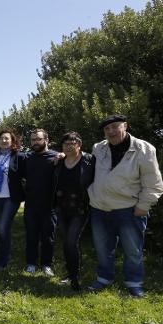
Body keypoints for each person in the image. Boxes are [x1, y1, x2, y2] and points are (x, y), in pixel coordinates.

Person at [87, 114, 163, 297]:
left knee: (133, 250)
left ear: (125, 126)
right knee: (103, 249)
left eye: (115, 127)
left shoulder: (144, 149)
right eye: (107, 129)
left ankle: (134, 283)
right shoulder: (98, 148)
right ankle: (104, 278)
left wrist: (144, 206)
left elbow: (153, 182)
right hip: (99, 208)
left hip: (129, 209)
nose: (111, 131)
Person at [51, 132, 95, 291]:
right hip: (61, 208)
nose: (69, 146)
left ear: (79, 145)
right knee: (67, 242)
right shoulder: (59, 162)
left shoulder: (89, 160)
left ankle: (75, 277)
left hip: (80, 208)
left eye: (72, 143)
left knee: (71, 241)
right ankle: (70, 273)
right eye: (65, 144)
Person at [0, 129, 26, 270]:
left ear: (12, 141)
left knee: (2, 229)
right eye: (1, 138)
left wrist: (59, 155)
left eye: (7, 138)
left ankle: (3, 259)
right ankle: (4, 255)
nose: (4, 141)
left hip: (11, 198)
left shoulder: (19, 156)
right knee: (2, 229)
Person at [22, 129, 59, 276]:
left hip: (50, 206)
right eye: (32, 140)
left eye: (38, 139)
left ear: (46, 140)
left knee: (48, 238)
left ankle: (46, 265)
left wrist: (61, 155)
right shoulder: (28, 157)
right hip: (31, 205)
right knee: (31, 236)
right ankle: (31, 263)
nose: (35, 142)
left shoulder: (56, 157)